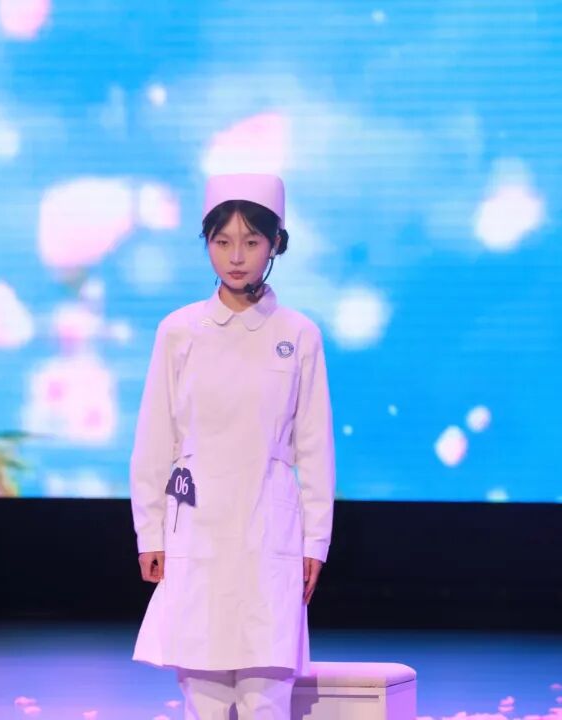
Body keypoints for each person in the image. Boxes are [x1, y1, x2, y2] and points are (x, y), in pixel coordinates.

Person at [129, 173, 337, 719]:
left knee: (266, 700)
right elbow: (154, 440)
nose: (237, 257)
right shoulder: (179, 331)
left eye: (251, 241)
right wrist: (149, 532)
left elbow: (315, 448)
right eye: (222, 241)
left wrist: (316, 541)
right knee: (205, 700)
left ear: (276, 244)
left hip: (270, 530)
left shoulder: (298, 334)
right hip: (196, 529)